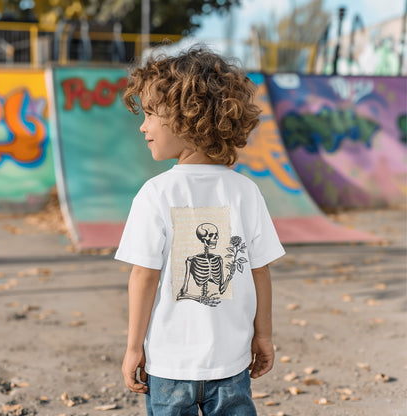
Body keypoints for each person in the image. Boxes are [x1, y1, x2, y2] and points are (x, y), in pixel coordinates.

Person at [115, 47, 285, 416]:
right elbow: (260, 272)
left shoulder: (156, 194)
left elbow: (143, 276)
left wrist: (133, 347)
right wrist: (264, 335)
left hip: (169, 366)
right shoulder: (246, 192)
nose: (143, 127)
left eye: (148, 115)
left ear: (184, 118)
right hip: (232, 363)